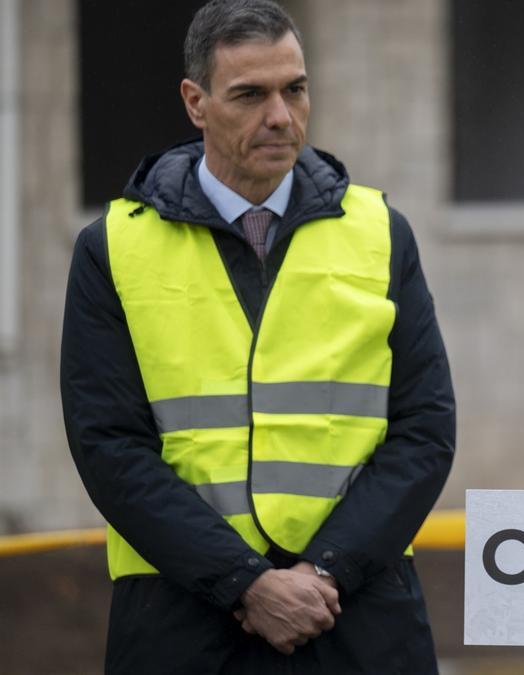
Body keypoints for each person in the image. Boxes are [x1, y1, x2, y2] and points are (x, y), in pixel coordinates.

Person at [59, 1, 454, 672]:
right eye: (250, 94)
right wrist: (245, 583)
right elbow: (109, 447)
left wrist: (325, 575)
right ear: (196, 102)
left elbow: (425, 428)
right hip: (184, 619)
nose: (281, 116)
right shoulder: (113, 248)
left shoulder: (382, 232)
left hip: (356, 618)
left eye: (294, 89)